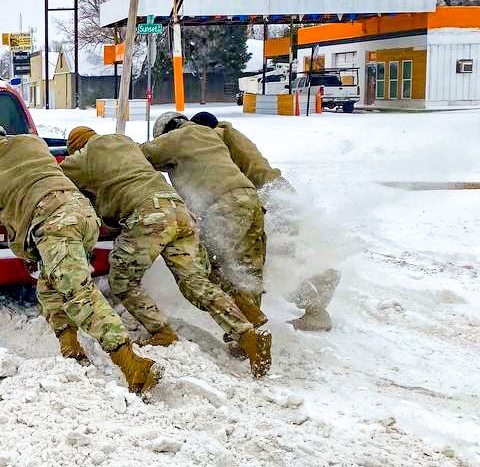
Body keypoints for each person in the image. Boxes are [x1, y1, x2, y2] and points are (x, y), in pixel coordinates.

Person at [0, 117, 160, 396]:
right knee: (50, 287)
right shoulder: (33, 143)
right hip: (84, 215)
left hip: (55, 226)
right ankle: (71, 349)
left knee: (79, 295)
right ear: (0, 134)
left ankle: (133, 366)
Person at [61, 127, 270, 377]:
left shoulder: (84, 157)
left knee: (122, 280)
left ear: (76, 147)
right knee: (196, 282)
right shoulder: (127, 144)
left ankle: (161, 331)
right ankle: (248, 336)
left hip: (149, 216)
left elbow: (55, 177)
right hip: (180, 213)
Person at [190, 111, 340, 331]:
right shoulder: (229, 132)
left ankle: (317, 305)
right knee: (280, 257)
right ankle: (320, 279)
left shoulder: (214, 138)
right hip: (279, 190)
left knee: (273, 264)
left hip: (267, 197)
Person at [144, 113, 268, 332]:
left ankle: (242, 325)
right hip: (251, 199)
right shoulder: (209, 134)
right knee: (248, 269)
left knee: (208, 264)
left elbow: (137, 155)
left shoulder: (175, 138)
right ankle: (252, 324)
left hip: (222, 204)